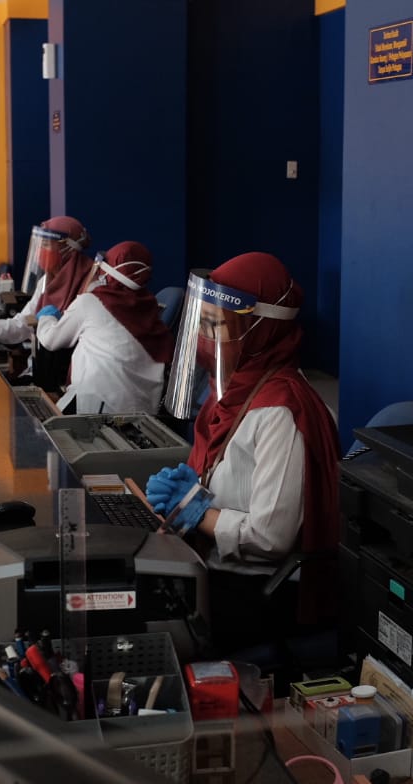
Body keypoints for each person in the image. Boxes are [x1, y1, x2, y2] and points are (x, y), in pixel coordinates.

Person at [145, 252, 341, 646]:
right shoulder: (233, 392)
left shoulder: (281, 412)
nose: (203, 339)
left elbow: (270, 538)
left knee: (146, 627)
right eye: (200, 324)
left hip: (260, 592)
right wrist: (193, 490)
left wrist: (195, 511)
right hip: (216, 569)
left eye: (215, 325)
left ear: (260, 329)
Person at [0, 216, 93, 386]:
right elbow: (21, 325)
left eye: (45, 245)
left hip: (69, 383)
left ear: (67, 248)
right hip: (40, 371)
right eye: (39, 245)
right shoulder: (46, 282)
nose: (40, 252)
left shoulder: (89, 285)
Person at [32, 241, 173, 414]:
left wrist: (46, 316)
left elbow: (50, 340)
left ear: (109, 271)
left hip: (95, 409)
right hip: (143, 415)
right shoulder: (152, 308)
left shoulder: (91, 302)